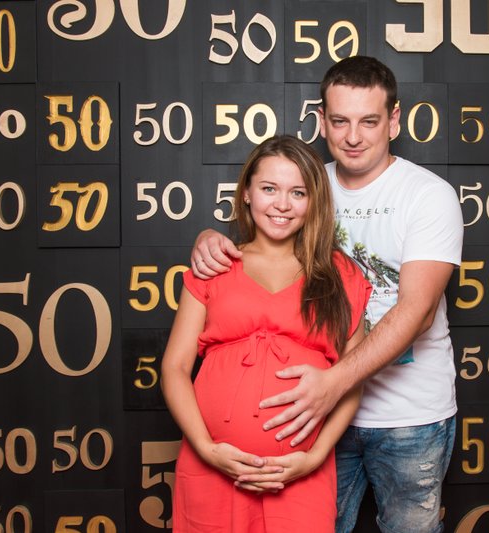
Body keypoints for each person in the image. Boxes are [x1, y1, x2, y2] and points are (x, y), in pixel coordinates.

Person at [192, 56, 464, 533]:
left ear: (394, 121)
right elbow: (261, 248)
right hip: (311, 420)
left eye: (369, 121)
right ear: (321, 121)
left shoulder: (427, 195)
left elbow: (417, 313)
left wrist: (333, 384)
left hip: (408, 417)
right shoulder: (304, 184)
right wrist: (209, 239)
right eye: (340, 121)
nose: (353, 136)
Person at [161, 135, 372, 532]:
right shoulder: (215, 265)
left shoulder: (340, 274)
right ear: (246, 193)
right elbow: (174, 368)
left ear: (314, 201)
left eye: (298, 193)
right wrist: (207, 448)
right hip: (212, 468)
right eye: (269, 189)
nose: (282, 204)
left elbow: (352, 379)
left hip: (298, 474)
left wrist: (314, 458)